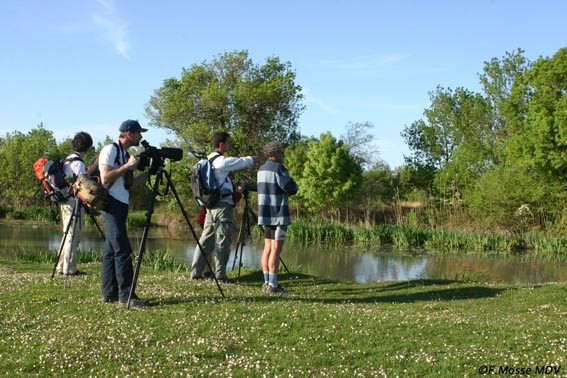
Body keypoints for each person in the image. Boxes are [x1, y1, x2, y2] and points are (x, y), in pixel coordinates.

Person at [190, 132, 264, 282]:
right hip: (223, 207)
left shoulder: (206, 160)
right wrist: (263, 157)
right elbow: (245, 161)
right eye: (228, 142)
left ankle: (195, 273)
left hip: (210, 206)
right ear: (221, 144)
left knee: (205, 241)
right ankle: (220, 275)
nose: (230, 145)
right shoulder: (222, 161)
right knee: (223, 241)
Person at [98, 119, 149, 308]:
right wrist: (127, 166)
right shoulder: (111, 150)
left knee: (111, 251)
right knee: (123, 250)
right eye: (138, 133)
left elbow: (129, 185)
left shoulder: (125, 153)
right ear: (128, 133)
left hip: (121, 203)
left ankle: (108, 293)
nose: (141, 136)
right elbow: (105, 178)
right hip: (111, 204)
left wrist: (149, 174)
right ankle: (127, 296)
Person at [257, 141, 298, 294]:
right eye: (281, 152)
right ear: (274, 153)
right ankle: (273, 285)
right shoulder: (279, 168)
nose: (283, 154)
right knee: (276, 250)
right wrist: (292, 188)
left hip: (265, 214)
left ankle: (266, 282)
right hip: (279, 213)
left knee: (267, 248)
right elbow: (290, 186)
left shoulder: (261, 169)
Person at [56, 132, 93, 276]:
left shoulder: (67, 160)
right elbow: (81, 186)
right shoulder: (79, 163)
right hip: (74, 202)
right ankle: (69, 268)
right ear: (87, 147)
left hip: (64, 201)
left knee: (67, 234)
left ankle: (61, 266)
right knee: (73, 235)